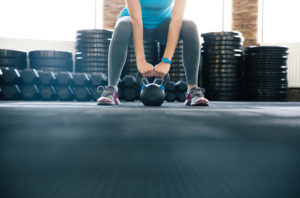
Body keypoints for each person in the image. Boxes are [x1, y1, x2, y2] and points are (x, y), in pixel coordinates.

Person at [97, 0, 209, 106]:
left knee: (190, 26)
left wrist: (166, 61)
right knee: (122, 25)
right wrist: (140, 60)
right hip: (134, 23)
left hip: (163, 25)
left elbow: (177, 20)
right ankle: (111, 89)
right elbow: (136, 19)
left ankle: (192, 90)